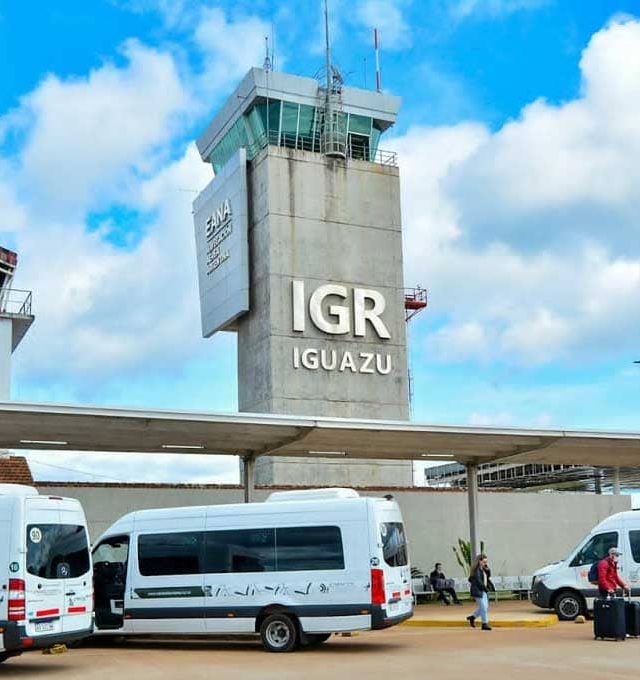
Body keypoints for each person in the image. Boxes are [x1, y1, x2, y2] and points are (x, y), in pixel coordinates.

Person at [466, 554, 492, 631]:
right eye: (484, 562)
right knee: (483, 608)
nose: (485, 563)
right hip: (478, 591)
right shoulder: (477, 570)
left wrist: (488, 570)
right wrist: (485, 589)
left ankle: (473, 617)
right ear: (479, 561)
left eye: (486, 562)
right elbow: (478, 581)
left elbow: (488, 577)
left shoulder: (483, 569)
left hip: (483, 590)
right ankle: (484, 624)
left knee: (485, 607)